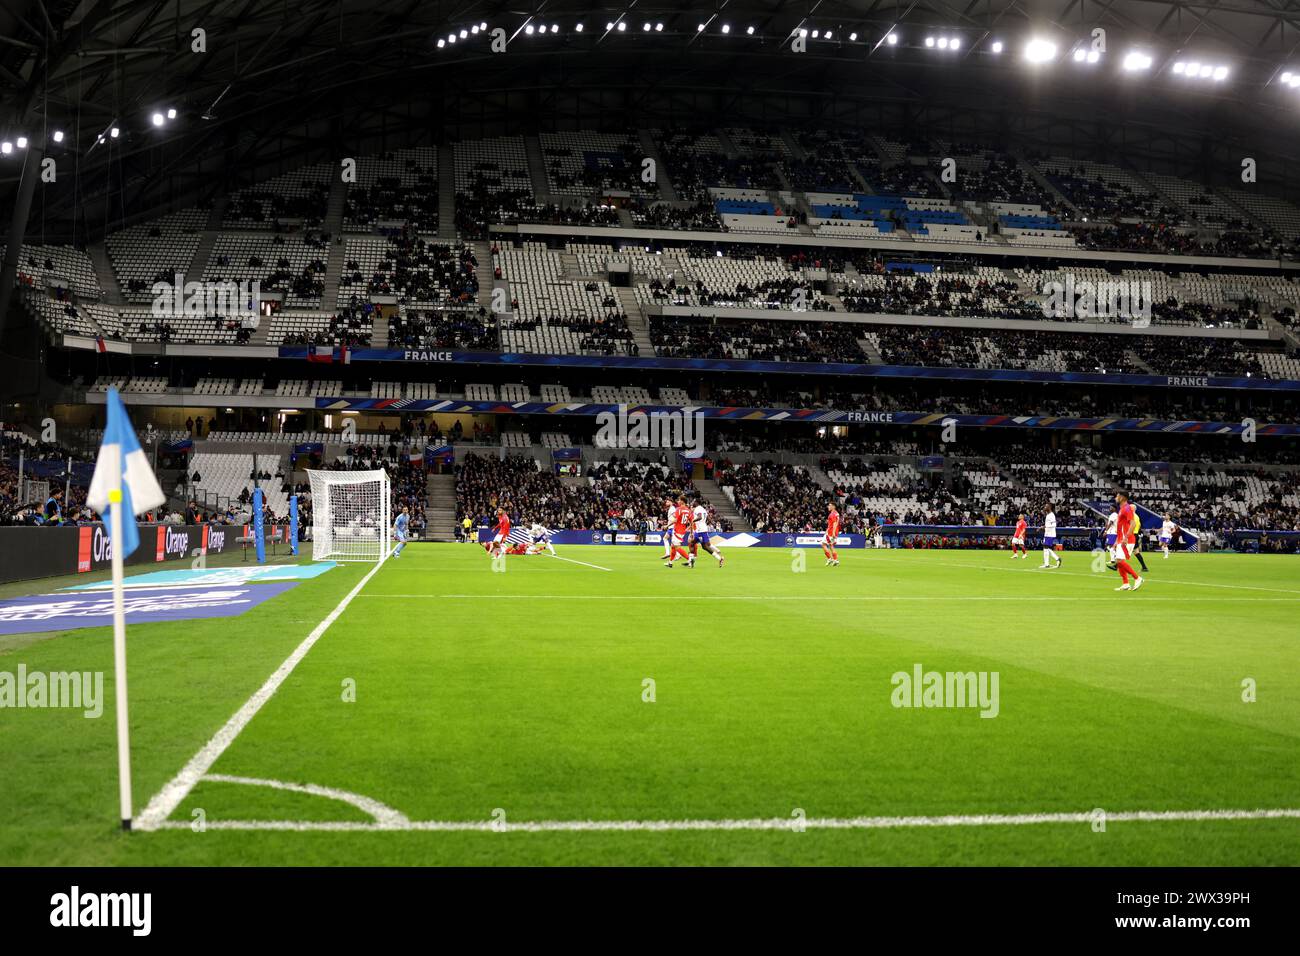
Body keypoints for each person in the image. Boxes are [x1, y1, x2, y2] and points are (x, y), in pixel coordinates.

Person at [1113, 492, 1144, 592]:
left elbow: (1133, 523)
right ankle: (1125, 584)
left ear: (1122, 498)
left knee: (1119, 561)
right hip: (1121, 539)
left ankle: (1137, 578)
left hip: (1127, 540)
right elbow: (1121, 526)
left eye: (1117, 496)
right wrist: (1117, 541)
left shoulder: (1127, 508)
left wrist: (1126, 537)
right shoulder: (1122, 509)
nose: (1115, 498)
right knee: (1119, 561)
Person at [690, 497, 725, 567]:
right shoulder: (703, 509)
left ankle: (691, 560)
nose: (693, 502)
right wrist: (704, 523)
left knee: (692, 543)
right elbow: (708, 519)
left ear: (696, 502)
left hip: (700, 530)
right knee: (704, 546)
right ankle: (719, 558)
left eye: (694, 501)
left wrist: (693, 521)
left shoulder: (697, 509)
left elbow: (699, 517)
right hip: (703, 529)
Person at [1039, 504, 1062, 568]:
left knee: (1046, 547)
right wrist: (1043, 528)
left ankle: (1057, 559)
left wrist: (1045, 526)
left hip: (1050, 534)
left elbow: (1054, 525)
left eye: (1046, 506)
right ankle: (1046, 564)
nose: (1045, 507)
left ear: (1050, 507)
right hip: (1047, 533)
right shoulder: (1048, 515)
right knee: (1045, 548)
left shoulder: (1052, 515)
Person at [822, 502, 841, 567]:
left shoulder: (832, 514)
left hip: (831, 533)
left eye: (829, 505)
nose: (828, 507)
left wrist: (832, 532)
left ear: (833, 506)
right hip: (833, 532)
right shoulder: (836, 513)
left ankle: (830, 559)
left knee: (823, 544)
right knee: (831, 546)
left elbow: (834, 523)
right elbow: (832, 524)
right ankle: (835, 560)